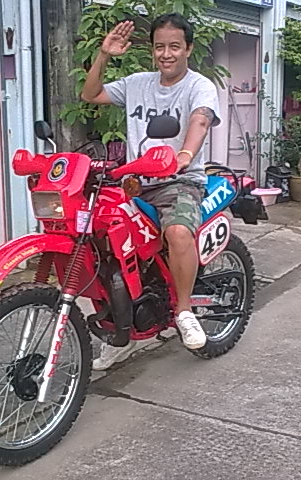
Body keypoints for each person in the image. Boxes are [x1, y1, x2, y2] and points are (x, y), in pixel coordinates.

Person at [81, 13, 221, 370]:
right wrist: (103, 54)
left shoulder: (199, 86)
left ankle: (185, 311)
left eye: (174, 46)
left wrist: (184, 155)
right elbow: (90, 94)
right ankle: (121, 331)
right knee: (104, 247)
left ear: (188, 49)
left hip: (180, 182)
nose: (166, 54)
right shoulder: (137, 83)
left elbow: (201, 119)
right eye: (160, 47)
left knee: (177, 232)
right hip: (135, 184)